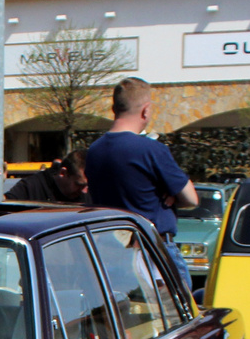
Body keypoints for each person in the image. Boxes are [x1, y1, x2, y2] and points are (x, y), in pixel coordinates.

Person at [85, 78, 199, 288]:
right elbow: (191, 199)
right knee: (173, 317)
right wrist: (170, 195)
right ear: (145, 110)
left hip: (110, 251)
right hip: (152, 251)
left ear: (114, 108)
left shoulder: (94, 151)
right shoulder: (151, 149)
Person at [5, 151, 89, 204]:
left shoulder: (93, 193)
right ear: (63, 173)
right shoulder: (32, 187)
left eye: (89, 185)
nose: (85, 191)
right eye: (79, 185)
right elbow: (1, 208)